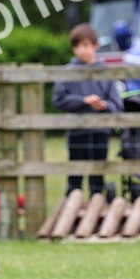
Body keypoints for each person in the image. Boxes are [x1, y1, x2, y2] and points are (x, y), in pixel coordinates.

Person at [53, 23, 122, 195]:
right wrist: (83, 101)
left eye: (85, 45)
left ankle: (97, 213)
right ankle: (72, 213)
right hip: (77, 132)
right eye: (77, 46)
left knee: (97, 178)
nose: (81, 50)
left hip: (100, 132)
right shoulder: (67, 72)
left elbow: (117, 105)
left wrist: (103, 105)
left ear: (95, 45)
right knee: (75, 178)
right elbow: (59, 99)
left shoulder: (106, 72)